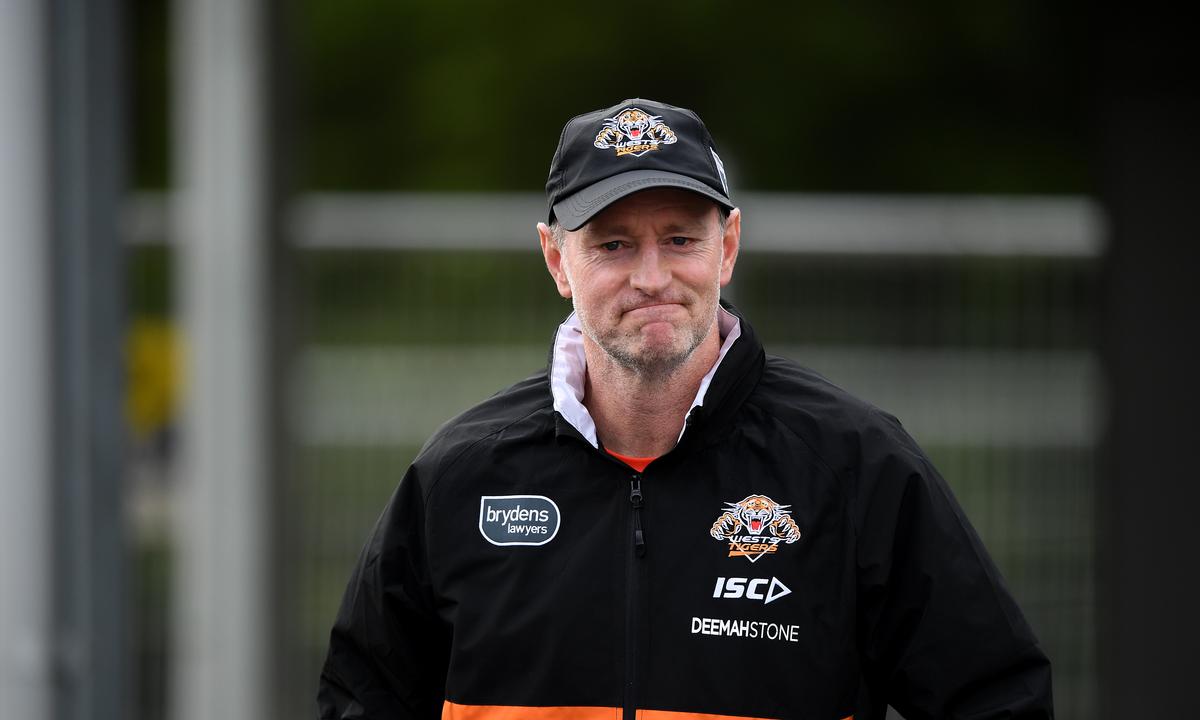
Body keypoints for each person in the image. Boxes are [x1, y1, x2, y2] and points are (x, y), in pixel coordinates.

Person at [317, 98, 1053, 720]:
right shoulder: (461, 476)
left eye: (679, 239)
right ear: (555, 259)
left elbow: (997, 700)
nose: (651, 275)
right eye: (611, 243)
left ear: (727, 247)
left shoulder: (854, 465)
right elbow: (359, 697)